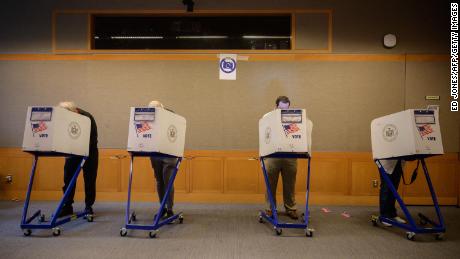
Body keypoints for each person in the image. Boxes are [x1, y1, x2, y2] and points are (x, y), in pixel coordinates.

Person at [58, 101, 98, 217]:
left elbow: (92, 139)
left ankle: (88, 206)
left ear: (74, 111)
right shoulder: (65, 117)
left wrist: (81, 150)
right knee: (68, 179)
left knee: (89, 179)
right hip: (72, 151)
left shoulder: (87, 117)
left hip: (90, 152)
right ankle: (67, 206)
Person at [265, 96, 299, 220]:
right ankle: (270, 208)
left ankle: (290, 208)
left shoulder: (294, 117)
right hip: (272, 155)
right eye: (281, 108)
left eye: (286, 108)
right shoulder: (267, 117)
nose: (283, 111)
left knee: (290, 184)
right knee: (270, 183)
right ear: (276, 107)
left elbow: (297, 133)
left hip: (290, 155)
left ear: (289, 106)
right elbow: (265, 136)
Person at [148, 100, 178, 219]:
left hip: (169, 154)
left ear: (162, 108)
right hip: (155, 153)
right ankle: (162, 208)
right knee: (159, 181)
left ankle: (170, 209)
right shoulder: (149, 117)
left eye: (156, 109)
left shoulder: (171, 116)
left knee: (168, 181)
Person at [379, 159, 407, 226]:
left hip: (398, 162)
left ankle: (392, 214)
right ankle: (384, 216)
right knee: (385, 189)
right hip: (386, 162)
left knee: (394, 189)